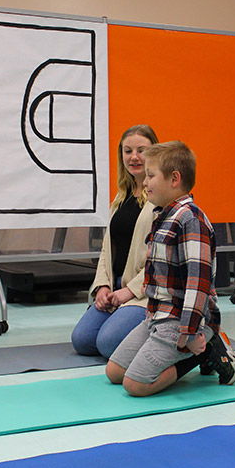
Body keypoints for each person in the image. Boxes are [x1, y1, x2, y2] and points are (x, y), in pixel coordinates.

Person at [105, 140, 235, 397]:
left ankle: (205, 351)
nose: (145, 182)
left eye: (150, 176)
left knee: (135, 385)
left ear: (174, 179)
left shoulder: (191, 220)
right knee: (114, 372)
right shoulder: (162, 215)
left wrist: (190, 333)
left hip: (181, 320)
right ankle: (195, 349)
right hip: (157, 315)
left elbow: (198, 285)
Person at [71, 125, 159, 358]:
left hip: (144, 293)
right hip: (116, 288)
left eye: (141, 150)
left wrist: (129, 292)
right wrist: (102, 286)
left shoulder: (160, 201)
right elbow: (106, 250)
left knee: (108, 344)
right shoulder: (120, 199)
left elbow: (162, 259)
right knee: (82, 341)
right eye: (128, 151)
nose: (134, 157)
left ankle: (161, 332)